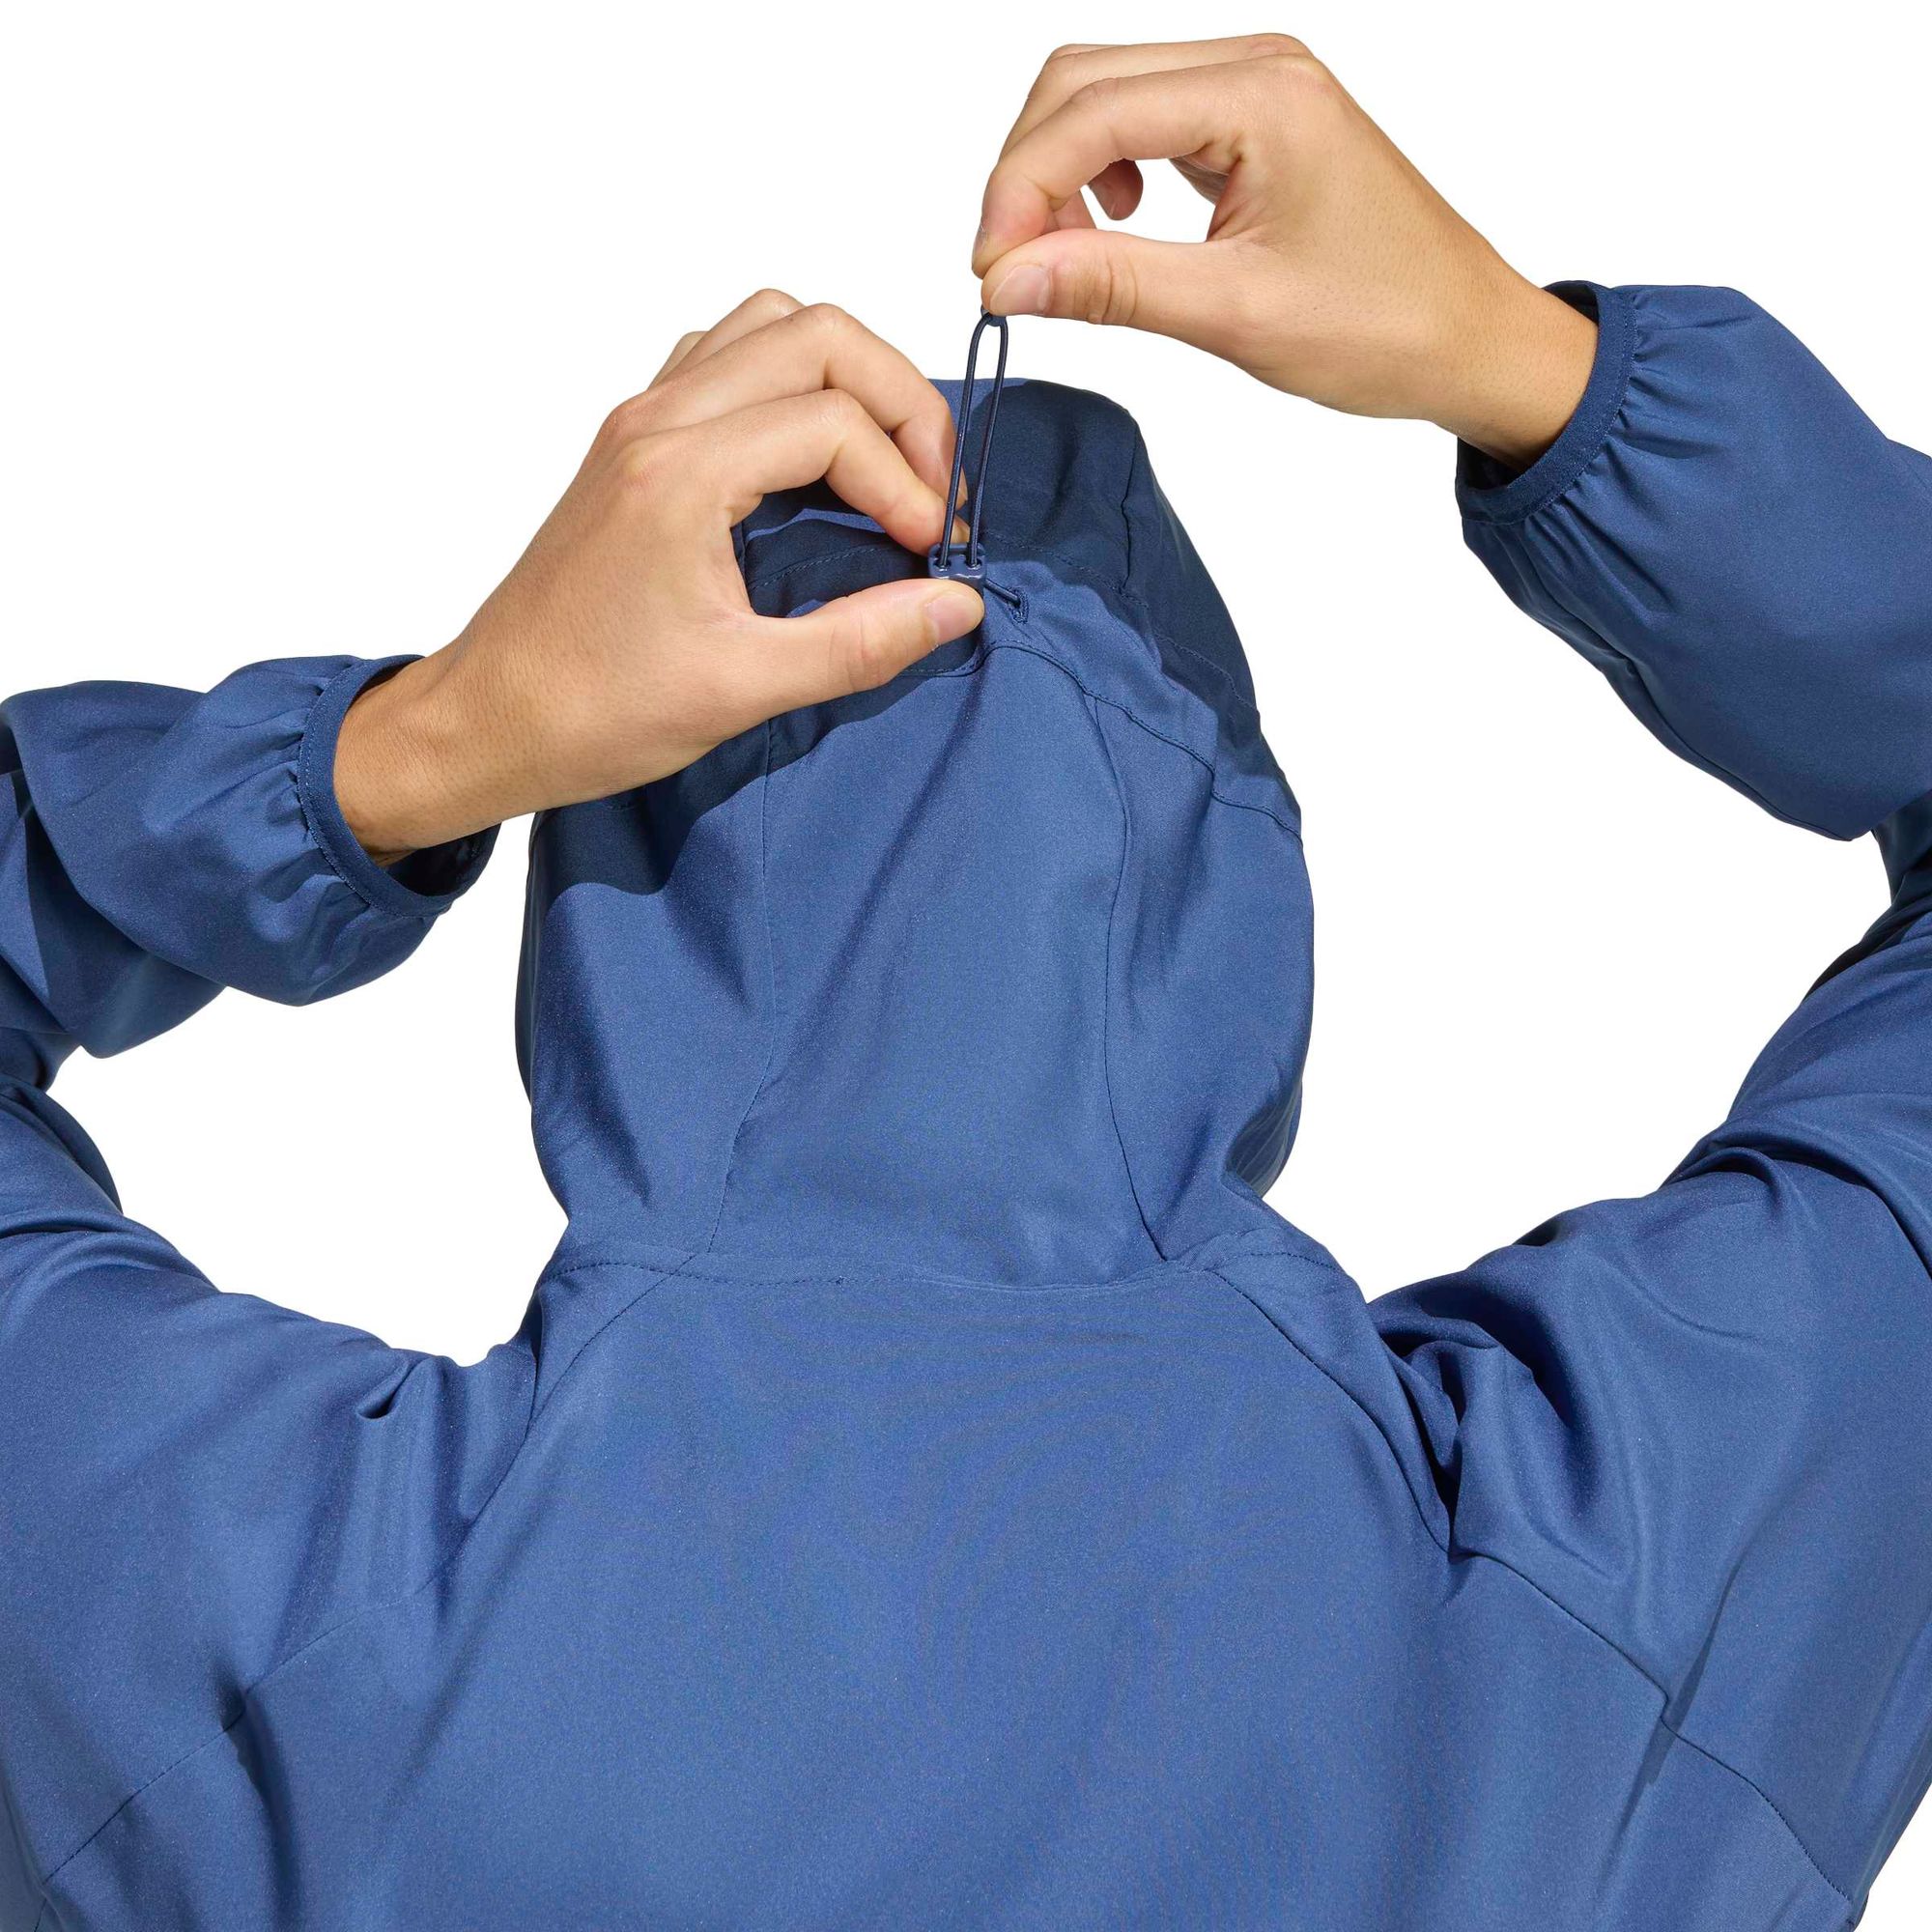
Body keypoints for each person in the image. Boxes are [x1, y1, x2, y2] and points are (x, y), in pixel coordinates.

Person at [2, 32, 1928, 1932]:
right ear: (1233, 870)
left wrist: (407, 753)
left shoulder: (278, 1645)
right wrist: (1524, 368)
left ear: (605, 876)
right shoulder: (1593, 1616)